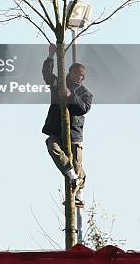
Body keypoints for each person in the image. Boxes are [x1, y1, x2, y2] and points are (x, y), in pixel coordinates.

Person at [42, 43, 93, 207]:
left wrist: (71, 96)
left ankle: (79, 195)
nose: (82, 78)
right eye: (79, 74)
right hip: (56, 129)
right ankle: (70, 173)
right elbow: (47, 74)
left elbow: (83, 109)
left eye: (83, 75)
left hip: (74, 134)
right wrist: (51, 56)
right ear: (71, 73)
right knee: (52, 146)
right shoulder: (58, 83)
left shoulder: (85, 93)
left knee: (79, 167)